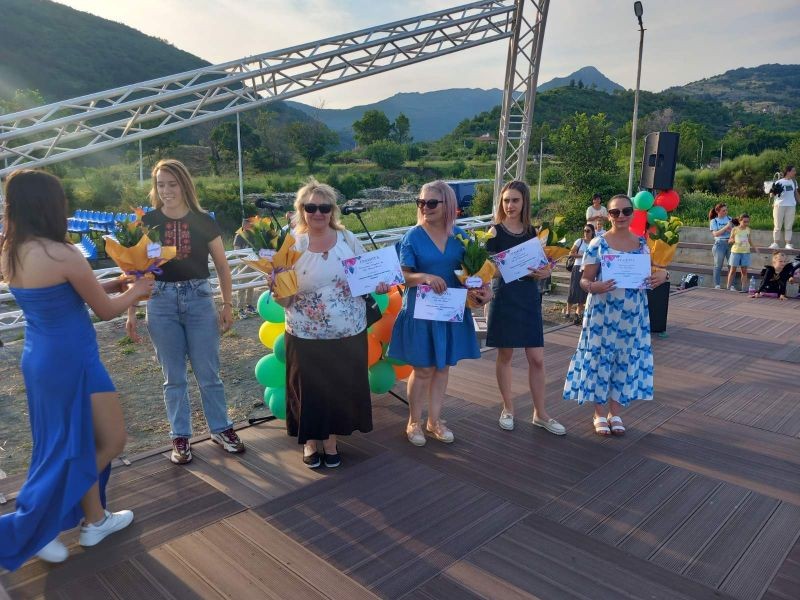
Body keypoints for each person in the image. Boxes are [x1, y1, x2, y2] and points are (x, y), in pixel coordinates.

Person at [0, 170, 154, 569]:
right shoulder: (62, 253)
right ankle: (38, 522)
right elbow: (104, 312)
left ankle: (95, 520)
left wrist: (113, 285)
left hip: (39, 358)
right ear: (50, 205)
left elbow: (62, 296)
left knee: (68, 444)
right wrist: (137, 291)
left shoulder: (11, 251)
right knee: (112, 441)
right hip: (73, 358)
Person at [126, 159, 244, 465]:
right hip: (160, 301)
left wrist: (227, 304)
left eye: (172, 184)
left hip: (199, 299)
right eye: (160, 185)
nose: (166, 190)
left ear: (185, 185)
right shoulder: (148, 222)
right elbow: (137, 270)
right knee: (173, 377)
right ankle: (180, 435)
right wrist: (131, 312)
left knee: (208, 373)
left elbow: (222, 266)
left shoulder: (203, 221)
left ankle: (221, 428)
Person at [274, 180, 387, 468]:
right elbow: (285, 301)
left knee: (339, 387)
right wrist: (277, 290)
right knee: (309, 389)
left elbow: (369, 275)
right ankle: (311, 441)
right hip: (305, 333)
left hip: (348, 331)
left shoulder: (348, 239)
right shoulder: (292, 245)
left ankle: (331, 441)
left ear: (332, 210)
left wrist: (380, 283)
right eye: (311, 207)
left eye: (324, 207)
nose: (318, 213)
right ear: (301, 209)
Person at [388, 180, 492, 446]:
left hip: (449, 312)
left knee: (443, 368)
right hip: (421, 313)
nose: (425, 207)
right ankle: (414, 421)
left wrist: (483, 292)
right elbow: (402, 276)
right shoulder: (412, 236)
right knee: (423, 369)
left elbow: (478, 274)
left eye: (432, 202)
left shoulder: (462, 237)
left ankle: (434, 421)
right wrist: (425, 277)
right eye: (421, 202)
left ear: (448, 204)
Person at [563, 194, 668, 436]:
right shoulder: (597, 244)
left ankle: (615, 412)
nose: (621, 216)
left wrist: (663, 275)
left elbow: (655, 272)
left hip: (632, 313)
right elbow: (584, 280)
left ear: (633, 213)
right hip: (603, 312)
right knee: (601, 359)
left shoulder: (642, 243)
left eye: (626, 211)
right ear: (608, 215)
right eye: (615, 212)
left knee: (625, 359)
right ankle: (599, 413)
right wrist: (594, 286)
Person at [486, 180, 565, 435]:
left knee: (537, 359)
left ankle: (540, 413)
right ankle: (507, 408)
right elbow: (486, 270)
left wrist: (546, 271)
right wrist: (512, 268)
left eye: (515, 200)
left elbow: (545, 265)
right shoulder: (494, 232)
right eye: (506, 200)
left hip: (529, 297)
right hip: (505, 296)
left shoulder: (535, 233)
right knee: (505, 355)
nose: (510, 205)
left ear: (524, 202)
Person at [565, 223, 595, 323]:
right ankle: (568, 311)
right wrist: (583, 255)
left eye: (588, 231)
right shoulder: (579, 241)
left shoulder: (594, 242)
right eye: (584, 230)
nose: (586, 232)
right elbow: (571, 253)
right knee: (573, 288)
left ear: (592, 232)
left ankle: (578, 313)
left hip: (587, 268)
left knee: (583, 291)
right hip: (577, 266)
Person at [769, 165, 798, 250]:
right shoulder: (779, 182)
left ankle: (788, 243)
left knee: (789, 225)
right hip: (779, 205)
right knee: (777, 225)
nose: (795, 172)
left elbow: (796, 193)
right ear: (788, 172)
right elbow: (772, 195)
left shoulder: (794, 182)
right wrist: (772, 192)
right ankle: (775, 243)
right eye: (793, 171)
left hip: (791, 206)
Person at [726, 214, 757, 292]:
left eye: (748, 222)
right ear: (740, 221)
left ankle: (743, 289)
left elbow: (749, 240)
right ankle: (728, 287)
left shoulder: (748, 229)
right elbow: (730, 240)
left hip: (745, 252)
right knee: (732, 270)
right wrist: (732, 240)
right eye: (744, 222)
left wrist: (755, 247)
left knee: (744, 271)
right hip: (736, 252)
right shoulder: (735, 229)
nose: (746, 223)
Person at [709, 203, 733, 289]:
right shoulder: (714, 221)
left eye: (726, 210)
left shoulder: (730, 219)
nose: (726, 212)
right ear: (717, 211)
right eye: (723, 211)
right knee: (718, 265)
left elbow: (735, 231)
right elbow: (715, 234)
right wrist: (726, 227)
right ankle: (717, 285)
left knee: (731, 265)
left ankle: (731, 285)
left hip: (730, 243)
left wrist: (730, 230)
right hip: (719, 244)